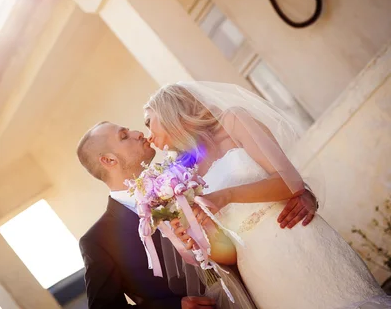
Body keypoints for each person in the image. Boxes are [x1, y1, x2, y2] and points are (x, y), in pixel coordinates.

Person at [144, 81, 391, 309]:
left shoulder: (233, 121)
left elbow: (290, 183)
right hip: (259, 270)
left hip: (297, 237)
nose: (147, 135)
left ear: (169, 111)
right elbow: (228, 253)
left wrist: (225, 196)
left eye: (148, 122)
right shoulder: (184, 174)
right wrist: (200, 240)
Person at [76, 119, 318, 308]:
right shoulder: (98, 241)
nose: (138, 133)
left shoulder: (187, 174)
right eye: (124, 136)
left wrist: (297, 193)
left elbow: (249, 181)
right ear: (108, 160)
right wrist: (173, 308)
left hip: (269, 292)